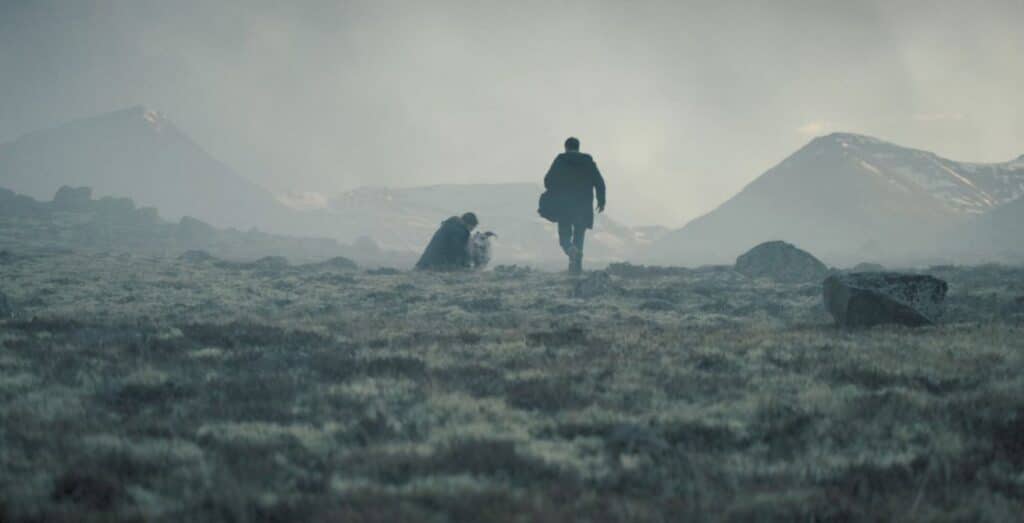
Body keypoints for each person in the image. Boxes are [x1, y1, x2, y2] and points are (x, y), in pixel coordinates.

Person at [543, 137, 606, 273]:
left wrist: (556, 190)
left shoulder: (560, 160)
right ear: (578, 147)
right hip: (583, 206)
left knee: (564, 238)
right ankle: (576, 270)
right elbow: (599, 181)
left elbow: (548, 180)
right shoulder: (588, 161)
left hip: (564, 206)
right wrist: (601, 200)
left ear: (566, 147)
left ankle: (570, 251)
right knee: (579, 238)